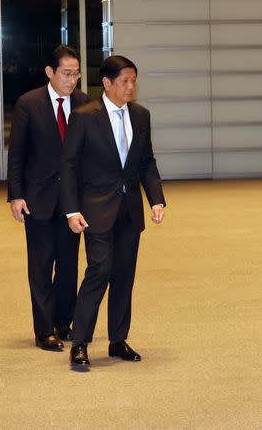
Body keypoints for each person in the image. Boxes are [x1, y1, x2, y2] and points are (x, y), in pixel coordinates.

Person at [60, 55, 165, 369]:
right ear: (106, 83)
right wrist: (71, 210)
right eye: (124, 81)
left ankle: (118, 340)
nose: (130, 87)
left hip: (129, 210)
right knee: (99, 271)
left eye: (134, 80)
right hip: (95, 209)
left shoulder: (141, 115)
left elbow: (147, 162)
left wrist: (156, 199)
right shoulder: (84, 116)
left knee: (124, 276)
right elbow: (68, 165)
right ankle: (80, 343)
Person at [7, 45, 89, 351]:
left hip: (71, 202)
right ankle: (44, 331)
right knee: (41, 267)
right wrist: (16, 195)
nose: (72, 80)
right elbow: (17, 155)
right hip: (37, 198)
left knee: (68, 267)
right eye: (67, 74)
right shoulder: (29, 103)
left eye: (76, 74)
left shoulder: (83, 103)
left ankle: (63, 322)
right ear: (49, 73)